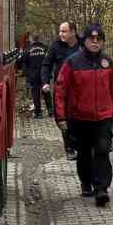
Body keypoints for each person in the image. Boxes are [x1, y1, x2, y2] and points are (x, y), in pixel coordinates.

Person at [54, 23, 113, 206]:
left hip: (104, 117)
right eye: (91, 40)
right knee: (84, 153)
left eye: (99, 40)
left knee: (102, 150)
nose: (95, 43)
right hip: (80, 117)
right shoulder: (72, 62)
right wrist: (60, 117)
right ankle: (86, 182)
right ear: (84, 41)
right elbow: (60, 89)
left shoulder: (107, 62)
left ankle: (101, 189)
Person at [42, 20, 81, 158]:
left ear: (73, 32)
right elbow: (46, 65)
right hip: (62, 89)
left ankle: (80, 145)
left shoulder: (84, 44)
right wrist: (45, 82)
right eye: (60, 31)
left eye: (64, 31)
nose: (61, 34)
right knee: (63, 118)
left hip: (80, 88)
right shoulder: (55, 46)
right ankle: (69, 148)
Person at [21, 36, 48, 117]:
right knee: (46, 91)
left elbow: (23, 61)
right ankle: (50, 111)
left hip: (33, 75)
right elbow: (50, 60)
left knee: (35, 94)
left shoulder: (28, 49)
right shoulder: (45, 48)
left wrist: (25, 73)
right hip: (44, 74)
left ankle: (38, 112)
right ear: (39, 39)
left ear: (32, 40)